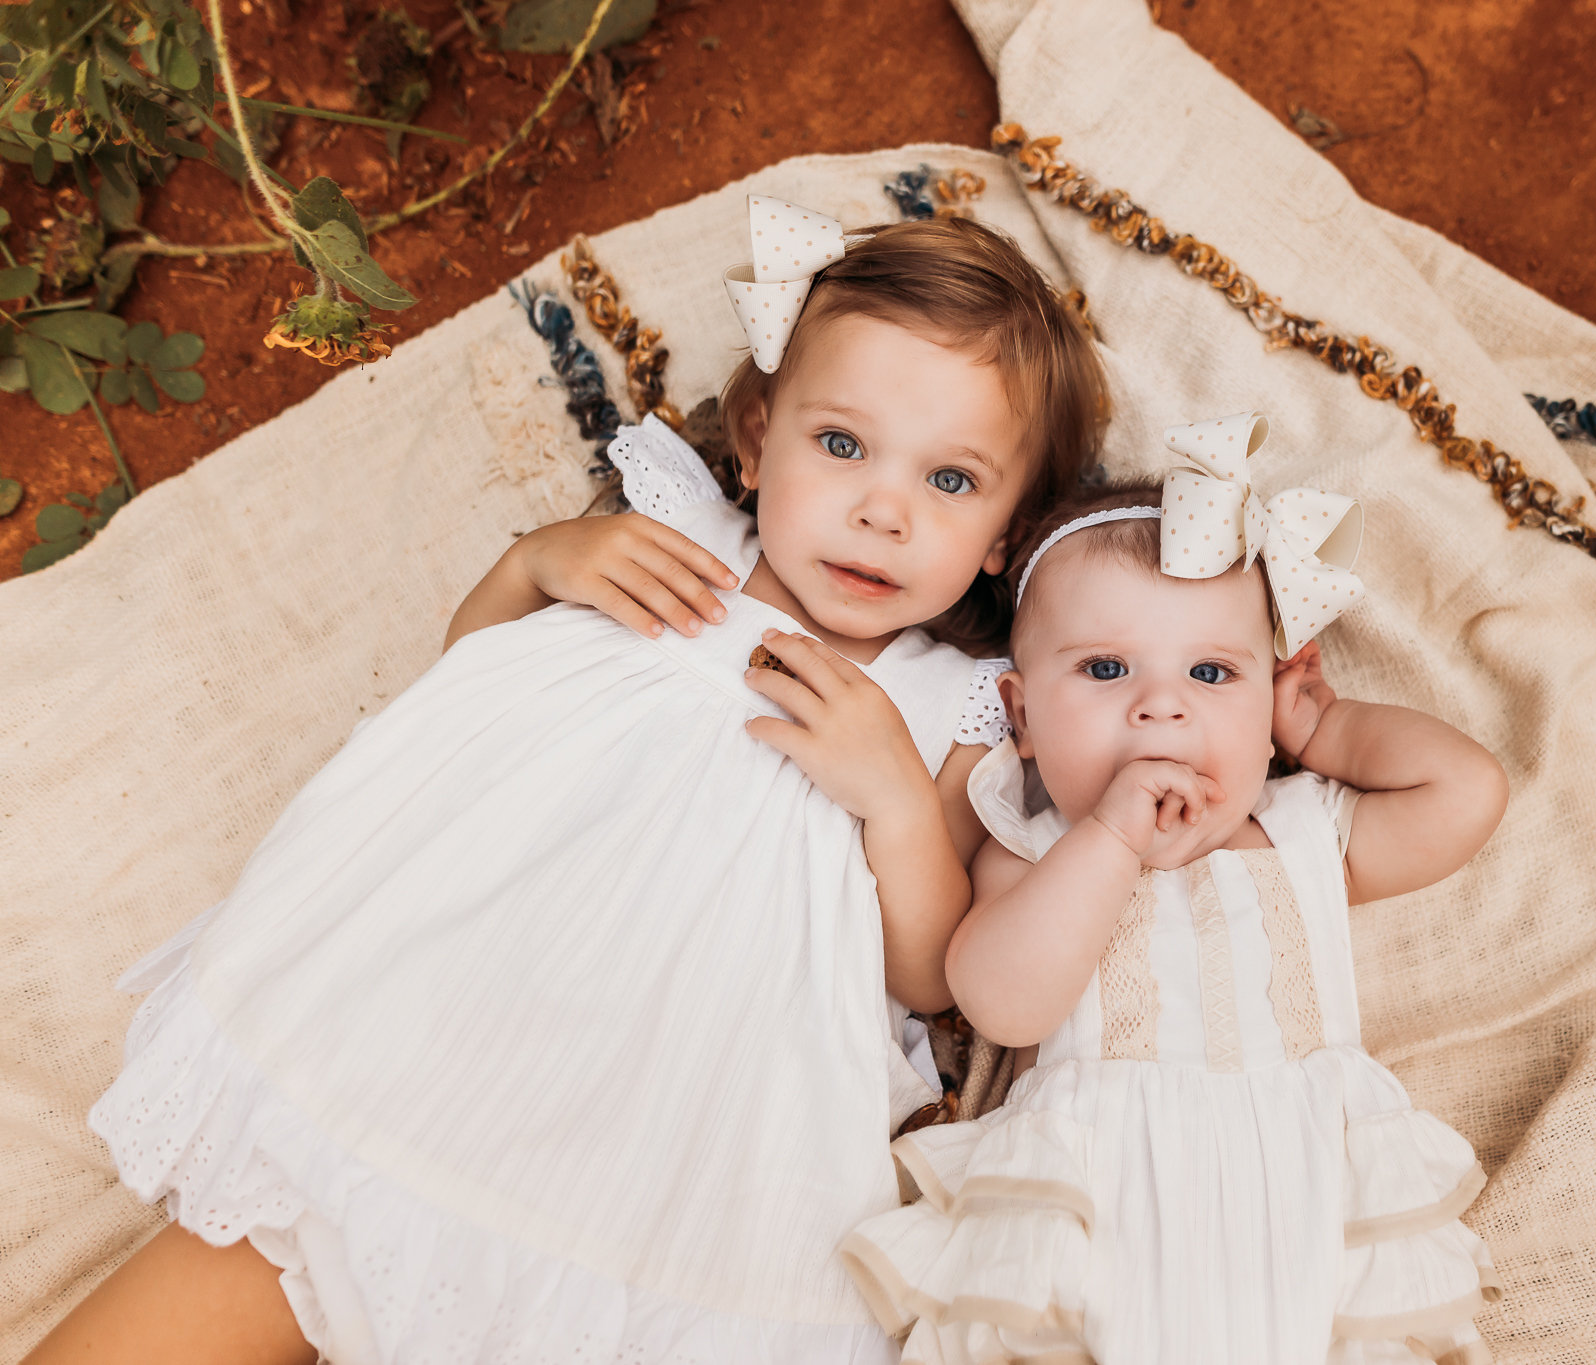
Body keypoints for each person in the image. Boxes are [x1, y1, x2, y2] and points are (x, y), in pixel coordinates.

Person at [32, 198, 1108, 1365]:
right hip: (446, 1024)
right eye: (839, 445)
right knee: (252, 1264)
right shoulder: (672, 551)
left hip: (664, 1134)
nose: (880, 509)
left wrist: (895, 797)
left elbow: (925, 973)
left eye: (951, 483)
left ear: (1005, 535)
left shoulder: (941, 710)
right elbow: (475, 695)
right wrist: (533, 563)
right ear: (755, 438)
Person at [842, 416, 1511, 1365]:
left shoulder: (1305, 829)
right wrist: (1110, 839)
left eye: (1212, 671)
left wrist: (1324, 732)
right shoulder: (1037, 847)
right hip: (1099, 1198)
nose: (1163, 703)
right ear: (1023, 718)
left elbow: (1466, 794)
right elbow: (997, 999)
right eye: (1107, 670)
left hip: (1306, 1197)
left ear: (1268, 698)